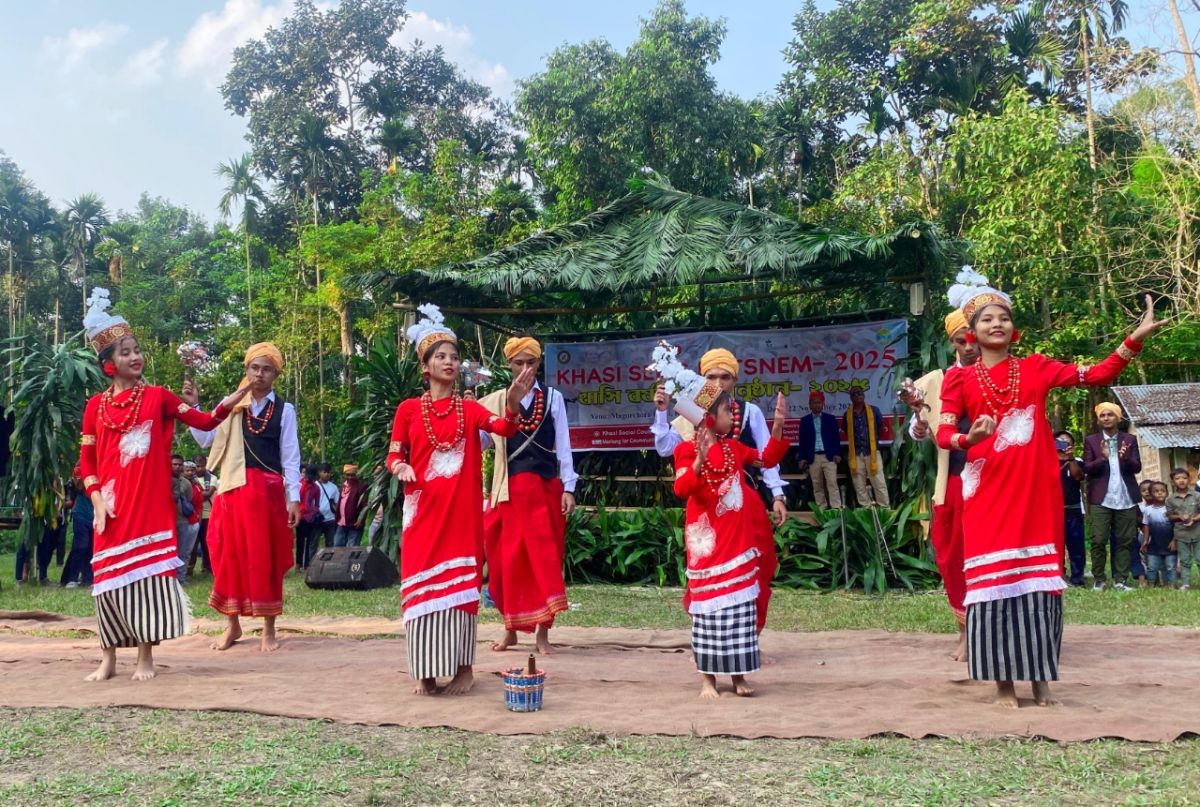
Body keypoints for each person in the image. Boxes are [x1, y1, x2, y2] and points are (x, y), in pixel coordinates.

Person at [935, 268, 1162, 708]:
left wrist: (1135, 339)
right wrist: (969, 439)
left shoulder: (1037, 368)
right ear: (971, 333)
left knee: (1040, 585)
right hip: (985, 495)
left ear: (1013, 329)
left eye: (1002, 316)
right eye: (986, 319)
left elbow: (1096, 374)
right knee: (991, 585)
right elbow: (944, 436)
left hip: (1036, 492)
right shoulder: (958, 380)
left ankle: (1041, 682)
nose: (995, 323)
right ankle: (1003, 685)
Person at [77, 287, 247, 681]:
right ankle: (108, 660)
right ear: (108, 363)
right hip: (111, 509)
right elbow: (87, 462)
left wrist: (230, 398)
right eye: (125, 352)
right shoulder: (94, 408)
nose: (135, 357)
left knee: (147, 582)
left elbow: (204, 422)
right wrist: (97, 499)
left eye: (136, 350)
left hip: (150, 508)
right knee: (106, 584)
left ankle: (144, 658)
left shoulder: (158, 397)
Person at [386, 303, 533, 696]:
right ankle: (425, 672)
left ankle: (465, 670)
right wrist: (400, 468)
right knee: (421, 588)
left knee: (462, 588)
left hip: (461, 515)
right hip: (422, 512)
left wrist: (515, 402)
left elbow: (502, 427)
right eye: (441, 356)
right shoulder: (408, 410)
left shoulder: (469, 409)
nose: (449, 361)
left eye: (454, 356)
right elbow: (394, 454)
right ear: (425, 365)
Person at [665, 352, 789, 699]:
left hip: (736, 540)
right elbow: (681, 489)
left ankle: (737, 676)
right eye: (725, 411)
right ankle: (707, 679)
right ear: (709, 418)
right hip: (708, 543)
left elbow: (767, 458)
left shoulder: (734, 447)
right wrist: (700, 460)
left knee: (738, 609)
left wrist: (778, 425)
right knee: (708, 612)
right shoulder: (687, 451)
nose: (732, 414)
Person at [184, 342, 301, 653]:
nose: (259, 374)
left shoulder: (284, 410)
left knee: (266, 559)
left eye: (266, 369)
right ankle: (232, 625)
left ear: (276, 373)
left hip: (268, 495)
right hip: (231, 492)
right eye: (254, 368)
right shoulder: (232, 403)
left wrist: (295, 499)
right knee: (227, 558)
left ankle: (268, 629)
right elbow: (207, 437)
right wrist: (195, 408)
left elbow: (290, 458)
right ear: (246, 370)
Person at [477, 336, 578, 655]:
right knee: (505, 561)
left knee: (544, 560)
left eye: (531, 363)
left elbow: (564, 444)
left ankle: (542, 635)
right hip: (507, 492)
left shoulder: (553, 399)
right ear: (508, 365)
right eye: (518, 363)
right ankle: (510, 630)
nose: (525, 369)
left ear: (539, 364)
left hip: (545, 490)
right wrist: (470, 416)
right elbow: (480, 444)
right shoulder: (493, 402)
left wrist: (569, 488)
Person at [907, 308, 979, 661]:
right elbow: (921, 427)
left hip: (1000, 481)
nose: (970, 343)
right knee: (953, 554)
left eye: (974, 334)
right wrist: (919, 428)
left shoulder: (1007, 375)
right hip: (954, 480)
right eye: (962, 337)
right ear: (952, 342)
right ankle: (966, 631)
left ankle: (1001, 630)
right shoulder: (936, 381)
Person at [1083, 403, 1142, 591]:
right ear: (1099, 419)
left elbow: (1137, 467)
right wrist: (1103, 458)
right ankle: (1099, 579)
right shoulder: (1091, 441)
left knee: (1125, 540)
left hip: (1126, 498)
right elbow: (1087, 468)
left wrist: (1126, 458)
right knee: (1098, 540)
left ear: (1117, 418)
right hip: (1101, 498)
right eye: (1103, 415)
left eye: (1110, 415)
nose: (1106, 418)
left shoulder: (1130, 439)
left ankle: (1120, 581)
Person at [796, 390, 843, 510]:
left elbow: (836, 438)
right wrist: (802, 458)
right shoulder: (805, 421)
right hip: (814, 457)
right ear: (809, 405)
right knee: (817, 485)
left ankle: (836, 509)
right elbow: (802, 441)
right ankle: (821, 509)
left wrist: (837, 453)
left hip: (829, 456)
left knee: (832, 483)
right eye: (814, 402)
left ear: (823, 404)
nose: (817, 405)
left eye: (819, 402)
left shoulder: (830, 419)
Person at [844, 388, 890, 508]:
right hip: (855, 454)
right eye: (853, 394)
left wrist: (872, 441)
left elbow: (881, 428)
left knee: (878, 482)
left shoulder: (874, 410)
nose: (857, 396)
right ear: (850, 397)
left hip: (872, 452)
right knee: (859, 484)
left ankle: (884, 509)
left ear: (863, 395)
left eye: (859, 393)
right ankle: (866, 510)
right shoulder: (847, 414)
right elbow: (846, 430)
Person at [1055, 431, 1086, 587]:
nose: (1063, 445)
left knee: (1076, 547)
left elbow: (1078, 477)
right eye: (1059, 441)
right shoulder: (1047, 461)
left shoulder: (1077, 461)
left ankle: (1077, 579)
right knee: (1055, 548)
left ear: (1072, 445)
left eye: (1067, 442)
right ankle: (1058, 577)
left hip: (1073, 510)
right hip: (1053, 512)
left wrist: (1070, 458)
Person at [60, 467, 95, 588]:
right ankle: (72, 579)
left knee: (91, 549)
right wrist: (86, 465)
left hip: (94, 515)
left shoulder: (102, 467)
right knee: (80, 546)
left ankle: (88, 579)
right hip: (80, 514)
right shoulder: (78, 469)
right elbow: (79, 486)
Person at [1166, 468, 1200, 590]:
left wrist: (1194, 519)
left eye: (1184, 478)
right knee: (1185, 560)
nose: (1181, 481)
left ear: (1189, 480)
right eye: (1178, 478)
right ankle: (1185, 583)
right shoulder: (1170, 499)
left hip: (1197, 532)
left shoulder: (1197, 496)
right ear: (1172, 482)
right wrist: (1180, 517)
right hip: (1181, 534)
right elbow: (1169, 516)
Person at [188, 453, 219, 577]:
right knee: (192, 545)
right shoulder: (188, 478)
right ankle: (189, 569)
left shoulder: (212, 478)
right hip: (193, 515)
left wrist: (194, 495)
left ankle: (207, 568)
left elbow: (207, 494)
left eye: (202, 466)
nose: (200, 469)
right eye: (198, 466)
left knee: (207, 544)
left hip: (208, 515)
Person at [1141, 481, 1176, 588]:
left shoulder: (1171, 509)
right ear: (1151, 495)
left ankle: (1171, 584)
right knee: (1152, 566)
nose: (1160, 493)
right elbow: (1146, 525)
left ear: (1167, 493)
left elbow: (1177, 526)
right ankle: (1151, 585)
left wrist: (1174, 540)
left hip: (1169, 543)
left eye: (1162, 491)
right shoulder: (1148, 510)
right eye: (1156, 491)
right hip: (1153, 544)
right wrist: (1146, 541)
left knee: (1170, 566)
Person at [170, 455, 196, 584]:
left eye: (180, 464)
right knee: (168, 552)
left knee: (182, 551)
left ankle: (181, 578)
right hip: (168, 522)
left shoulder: (186, 483)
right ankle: (169, 578)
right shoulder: (162, 480)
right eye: (174, 464)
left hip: (182, 521)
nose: (177, 466)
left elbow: (189, 500)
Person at [334, 464, 368, 547]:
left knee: (353, 549)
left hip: (354, 524)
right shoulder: (343, 486)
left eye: (352, 475)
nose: (350, 477)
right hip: (341, 523)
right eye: (347, 475)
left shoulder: (361, 486)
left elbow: (365, 505)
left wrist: (361, 520)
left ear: (356, 475)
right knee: (338, 546)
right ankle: (341, 560)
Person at [297, 465, 321, 570]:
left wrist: (312, 511)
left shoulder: (316, 488)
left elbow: (317, 504)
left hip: (309, 517)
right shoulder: (299, 484)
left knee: (309, 542)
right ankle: (298, 564)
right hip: (299, 516)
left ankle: (306, 564)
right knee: (300, 541)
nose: (307, 478)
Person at [314, 463, 339, 549]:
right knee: (314, 543)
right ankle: (312, 562)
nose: (326, 474)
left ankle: (328, 561)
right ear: (319, 473)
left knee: (330, 543)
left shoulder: (334, 487)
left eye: (328, 472)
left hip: (330, 519)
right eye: (324, 472)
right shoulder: (314, 486)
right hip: (318, 519)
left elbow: (337, 503)